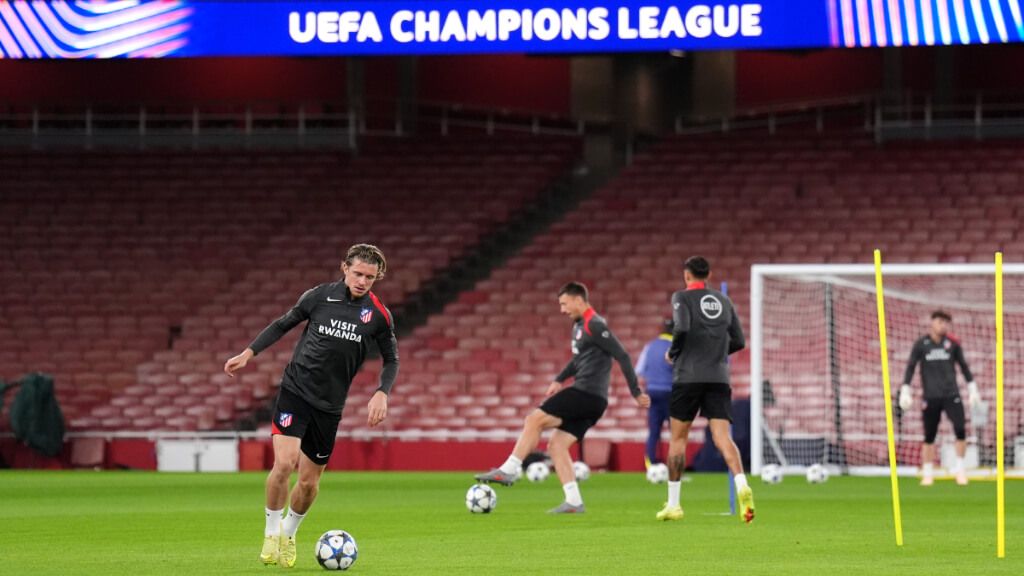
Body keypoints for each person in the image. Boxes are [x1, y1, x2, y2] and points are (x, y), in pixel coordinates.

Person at [223, 244, 399, 568]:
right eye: (358, 273)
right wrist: (249, 353)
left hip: (330, 406)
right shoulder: (319, 297)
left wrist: (382, 392)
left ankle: (289, 533)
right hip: (296, 390)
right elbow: (282, 324)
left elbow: (391, 359)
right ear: (344, 267)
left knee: (309, 483)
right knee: (285, 464)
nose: (362, 281)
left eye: (369, 277)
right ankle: (270, 532)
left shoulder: (377, 315)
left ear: (378, 278)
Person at [475, 282, 650, 513]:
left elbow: (623, 355)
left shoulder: (595, 324)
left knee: (533, 420)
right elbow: (578, 361)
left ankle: (508, 469)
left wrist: (635, 392)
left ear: (579, 300)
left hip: (586, 394)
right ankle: (574, 501)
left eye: (564, 303)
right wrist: (559, 379)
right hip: (592, 400)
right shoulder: (579, 326)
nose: (562, 309)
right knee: (557, 446)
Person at [657, 256, 752, 523]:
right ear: (708, 274)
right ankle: (742, 484)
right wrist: (717, 353)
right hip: (719, 377)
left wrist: (674, 352)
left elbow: (683, 327)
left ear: (687, 276)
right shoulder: (724, 301)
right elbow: (739, 341)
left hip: (688, 377)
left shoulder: (681, 297)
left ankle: (674, 505)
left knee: (678, 440)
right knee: (723, 438)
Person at [900, 310, 979, 486]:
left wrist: (973, 389)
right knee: (929, 436)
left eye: (945, 322)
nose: (942, 325)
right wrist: (905, 388)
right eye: (940, 322)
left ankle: (960, 469)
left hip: (952, 394)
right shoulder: (922, 344)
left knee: (960, 430)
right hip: (931, 396)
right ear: (932, 323)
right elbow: (911, 366)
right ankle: (928, 472)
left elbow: (964, 367)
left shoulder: (952, 344)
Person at [636, 318, 675, 467]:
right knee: (676, 434)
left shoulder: (650, 346)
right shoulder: (675, 347)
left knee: (654, 431)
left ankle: (650, 465)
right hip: (671, 393)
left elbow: (639, 370)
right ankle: (674, 469)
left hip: (652, 392)